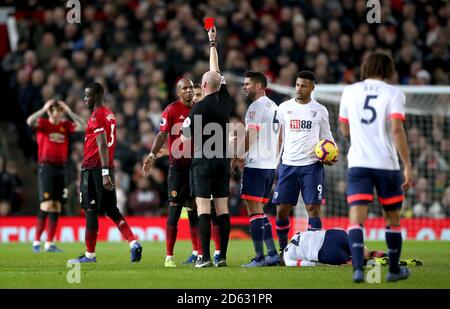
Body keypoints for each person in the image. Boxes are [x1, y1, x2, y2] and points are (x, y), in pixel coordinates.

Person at [338, 52, 412, 282]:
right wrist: (407, 164)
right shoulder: (394, 93)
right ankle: (393, 270)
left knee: (356, 217)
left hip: (359, 163)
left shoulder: (350, 91)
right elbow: (397, 129)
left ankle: (358, 268)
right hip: (386, 164)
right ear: (388, 70)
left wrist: (361, 137)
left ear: (366, 67)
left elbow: (345, 129)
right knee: (392, 217)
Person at [69, 82, 142, 263]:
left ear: (97, 96)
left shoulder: (96, 116)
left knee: (91, 211)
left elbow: (102, 144)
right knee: (112, 210)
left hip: (94, 169)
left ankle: (89, 255)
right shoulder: (110, 115)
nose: (85, 99)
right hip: (105, 167)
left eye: (88, 95)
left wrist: (102, 172)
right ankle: (133, 242)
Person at [181, 26, 231, 267]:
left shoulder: (198, 108)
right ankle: (223, 257)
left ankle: (204, 257)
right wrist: (213, 43)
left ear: (202, 84)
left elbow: (185, 136)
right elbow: (216, 72)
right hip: (222, 160)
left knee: (203, 208)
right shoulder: (225, 101)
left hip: (202, 161)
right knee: (222, 209)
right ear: (220, 84)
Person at [272, 71, 335, 254]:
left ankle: (312, 252)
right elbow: (278, 137)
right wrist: (274, 163)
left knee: (313, 208)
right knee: (282, 210)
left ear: (312, 88)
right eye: (298, 85)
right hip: (288, 165)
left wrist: (331, 154)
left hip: (312, 166)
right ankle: (283, 250)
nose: (299, 89)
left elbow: (327, 137)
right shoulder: (283, 108)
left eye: (304, 86)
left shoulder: (320, 110)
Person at [143, 78, 202, 267]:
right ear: (178, 92)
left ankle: (197, 253)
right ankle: (169, 256)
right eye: (185, 88)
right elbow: (162, 134)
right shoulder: (171, 110)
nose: (189, 91)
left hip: (195, 167)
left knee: (193, 210)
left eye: (191, 87)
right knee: (175, 210)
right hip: (177, 168)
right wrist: (152, 155)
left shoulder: (199, 109)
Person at [26, 100, 86, 253]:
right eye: (55, 110)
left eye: (60, 110)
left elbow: (83, 126)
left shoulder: (65, 126)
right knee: (46, 205)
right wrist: (43, 108)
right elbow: (29, 121)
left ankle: (49, 244)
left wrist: (70, 111)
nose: (58, 113)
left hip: (61, 168)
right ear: (49, 111)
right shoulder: (43, 124)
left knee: (57, 206)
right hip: (46, 168)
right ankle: (36, 242)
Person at [236, 70, 281, 267]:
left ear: (258, 86)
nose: (244, 87)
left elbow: (251, 136)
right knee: (260, 210)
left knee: (253, 211)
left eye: (247, 84)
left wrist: (238, 154)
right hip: (270, 165)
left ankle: (259, 257)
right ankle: (272, 254)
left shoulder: (255, 107)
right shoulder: (276, 107)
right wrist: (275, 160)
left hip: (255, 165)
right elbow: (280, 138)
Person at [283, 229, 387, 267]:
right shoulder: (295, 235)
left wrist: (329, 264)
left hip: (326, 251)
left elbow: (309, 264)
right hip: (334, 234)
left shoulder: (287, 260)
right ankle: (387, 257)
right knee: (365, 252)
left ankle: (374, 263)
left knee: (353, 262)